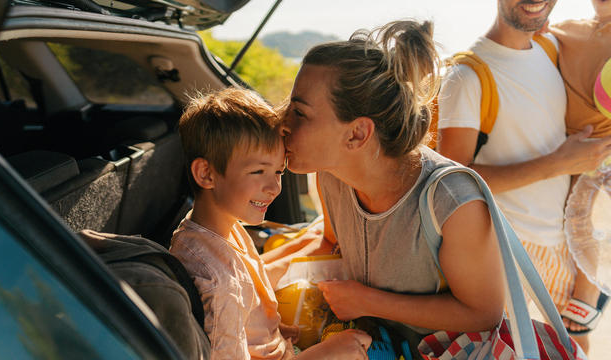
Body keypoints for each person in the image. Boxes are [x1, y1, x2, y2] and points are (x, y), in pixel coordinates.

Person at [280, 19, 505, 341]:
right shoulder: (331, 177)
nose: (283, 123)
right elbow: (332, 243)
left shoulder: (452, 201)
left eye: (299, 113)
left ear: (357, 133)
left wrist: (367, 302)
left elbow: (484, 313)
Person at [437, 0, 611, 353]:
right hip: (502, 249)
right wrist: (555, 163)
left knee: (575, 349)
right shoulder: (466, 75)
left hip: (561, 247)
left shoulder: (551, 49)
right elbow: (449, 183)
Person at [169, 87, 371, 360]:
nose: (274, 187)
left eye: (278, 171)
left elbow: (248, 296)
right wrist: (325, 353)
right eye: (258, 171)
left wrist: (271, 329)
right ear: (206, 173)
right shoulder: (218, 283)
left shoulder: (216, 229)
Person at [548, 0, 611, 349]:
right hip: (563, 153)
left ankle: (587, 295)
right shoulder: (566, 30)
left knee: (575, 333)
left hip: (601, 161)